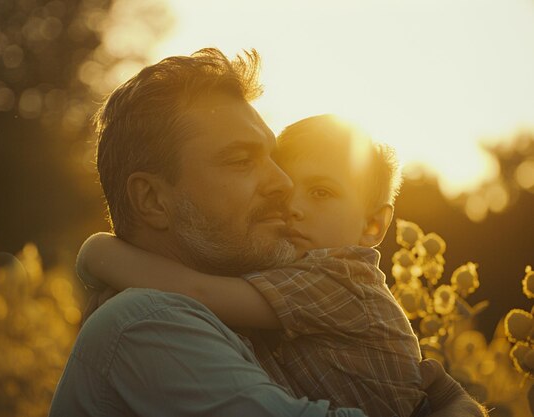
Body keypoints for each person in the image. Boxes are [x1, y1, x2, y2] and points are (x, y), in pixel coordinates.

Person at [49, 48, 486, 417]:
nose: (282, 185)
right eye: (241, 161)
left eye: (275, 160)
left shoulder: (252, 320)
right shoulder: (146, 323)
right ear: (151, 200)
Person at [76, 114, 427, 417]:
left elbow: (199, 291)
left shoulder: (341, 275)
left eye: (321, 192)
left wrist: (98, 251)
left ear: (373, 226)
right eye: (288, 189)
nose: (293, 207)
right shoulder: (145, 322)